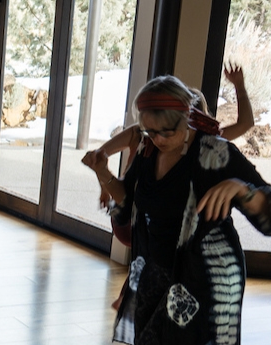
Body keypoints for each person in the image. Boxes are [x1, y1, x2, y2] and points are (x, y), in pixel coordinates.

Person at [87, 75, 271, 345]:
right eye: (148, 131)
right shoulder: (149, 148)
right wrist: (102, 172)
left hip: (201, 274)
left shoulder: (214, 152)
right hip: (157, 266)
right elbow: (129, 199)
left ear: (186, 118)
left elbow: (268, 209)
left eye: (164, 132)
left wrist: (240, 187)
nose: (155, 139)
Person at [84, 63, 255, 311]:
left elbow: (245, 125)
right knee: (152, 265)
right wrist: (103, 181)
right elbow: (100, 156)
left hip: (173, 242)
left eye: (170, 130)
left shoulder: (210, 144)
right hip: (134, 218)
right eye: (153, 131)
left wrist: (240, 86)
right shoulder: (141, 137)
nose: (160, 138)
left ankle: (135, 301)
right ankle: (135, 301)